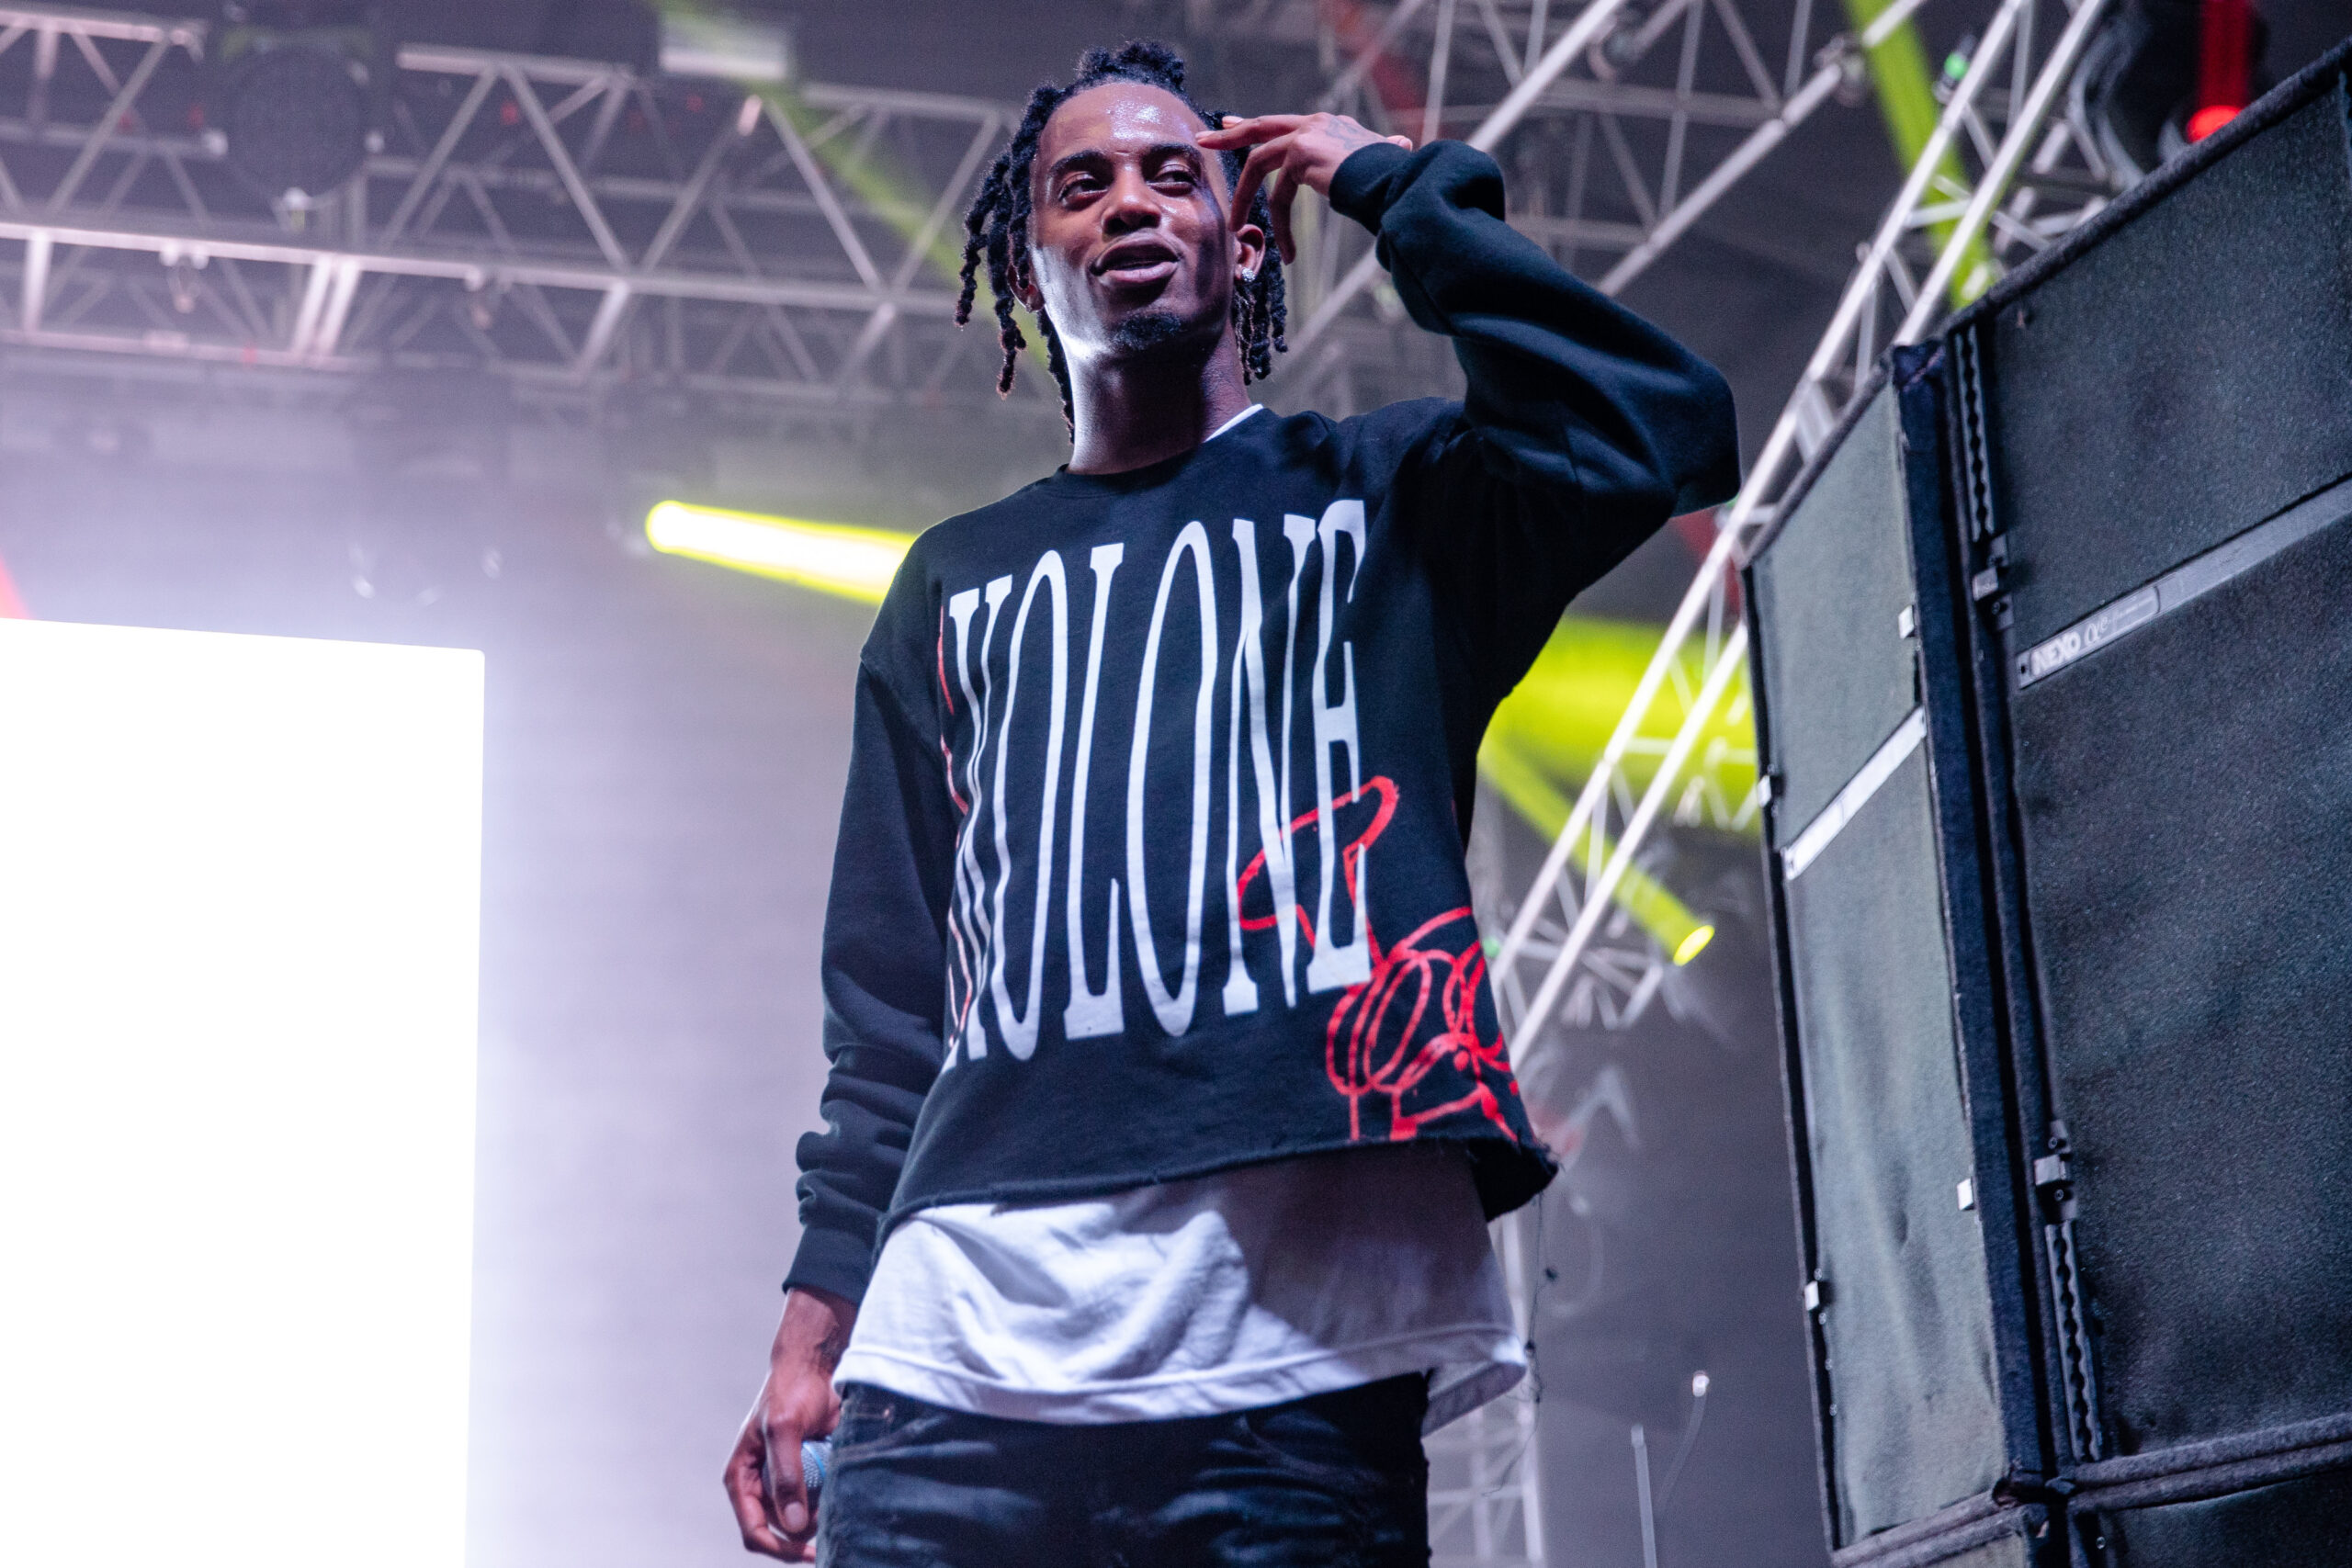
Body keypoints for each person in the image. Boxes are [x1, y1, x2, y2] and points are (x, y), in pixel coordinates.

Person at [722, 39, 1737, 1567]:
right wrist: (812, 1331)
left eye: (1172, 175)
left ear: (1247, 239)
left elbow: (1664, 421)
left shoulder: (1392, 496)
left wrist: (1392, 189)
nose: (1130, 201)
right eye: (1082, 185)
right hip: (953, 1371)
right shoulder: (952, 580)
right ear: (1032, 263)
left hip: (1292, 1376)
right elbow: (887, 1009)